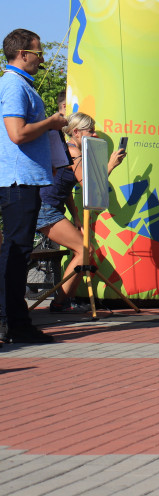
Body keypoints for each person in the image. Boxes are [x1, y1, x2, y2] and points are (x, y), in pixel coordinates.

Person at [0, 29, 68, 344]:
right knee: (16, 251)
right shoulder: (14, 85)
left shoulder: (19, 84)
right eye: (38, 52)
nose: (41, 58)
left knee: (16, 251)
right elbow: (17, 133)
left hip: (23, 178)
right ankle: (14, 323)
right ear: (23, 53)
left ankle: (13, 321)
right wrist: (52, 123)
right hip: (18, 180)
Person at [38, 112, 126, 313]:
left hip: (49, 208)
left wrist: (76, 216)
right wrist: (111, 165)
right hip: (45, 209)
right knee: (85, 251)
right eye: (91, 131)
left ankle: (62, 300)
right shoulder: (72, 152)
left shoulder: (69, 150)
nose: (95, 135)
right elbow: (88, 186)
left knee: (84, 250)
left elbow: (64, 187)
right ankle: (60, 302)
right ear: (76, 133)